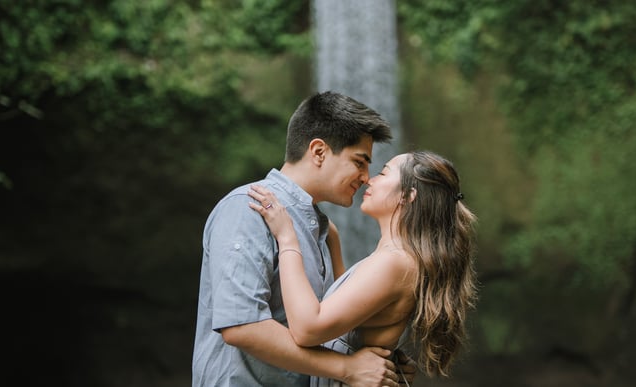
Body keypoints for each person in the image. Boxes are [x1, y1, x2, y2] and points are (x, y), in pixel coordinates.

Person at [192, 91, 415, 387]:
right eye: (359, 162)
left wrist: (380, 362)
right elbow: (241, 326)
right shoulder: (249, 208)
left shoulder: (321, 230)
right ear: (319, 152)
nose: (365, 177)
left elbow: (327, 330)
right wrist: (347, 368)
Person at [248, 150, 478, 385]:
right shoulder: (398, 257)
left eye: (382, 173)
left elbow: (308, 329)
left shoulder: (395, 262)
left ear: (408, 196)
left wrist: (287, 239)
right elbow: (351, 309)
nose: (370, 179)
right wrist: (332, 241)